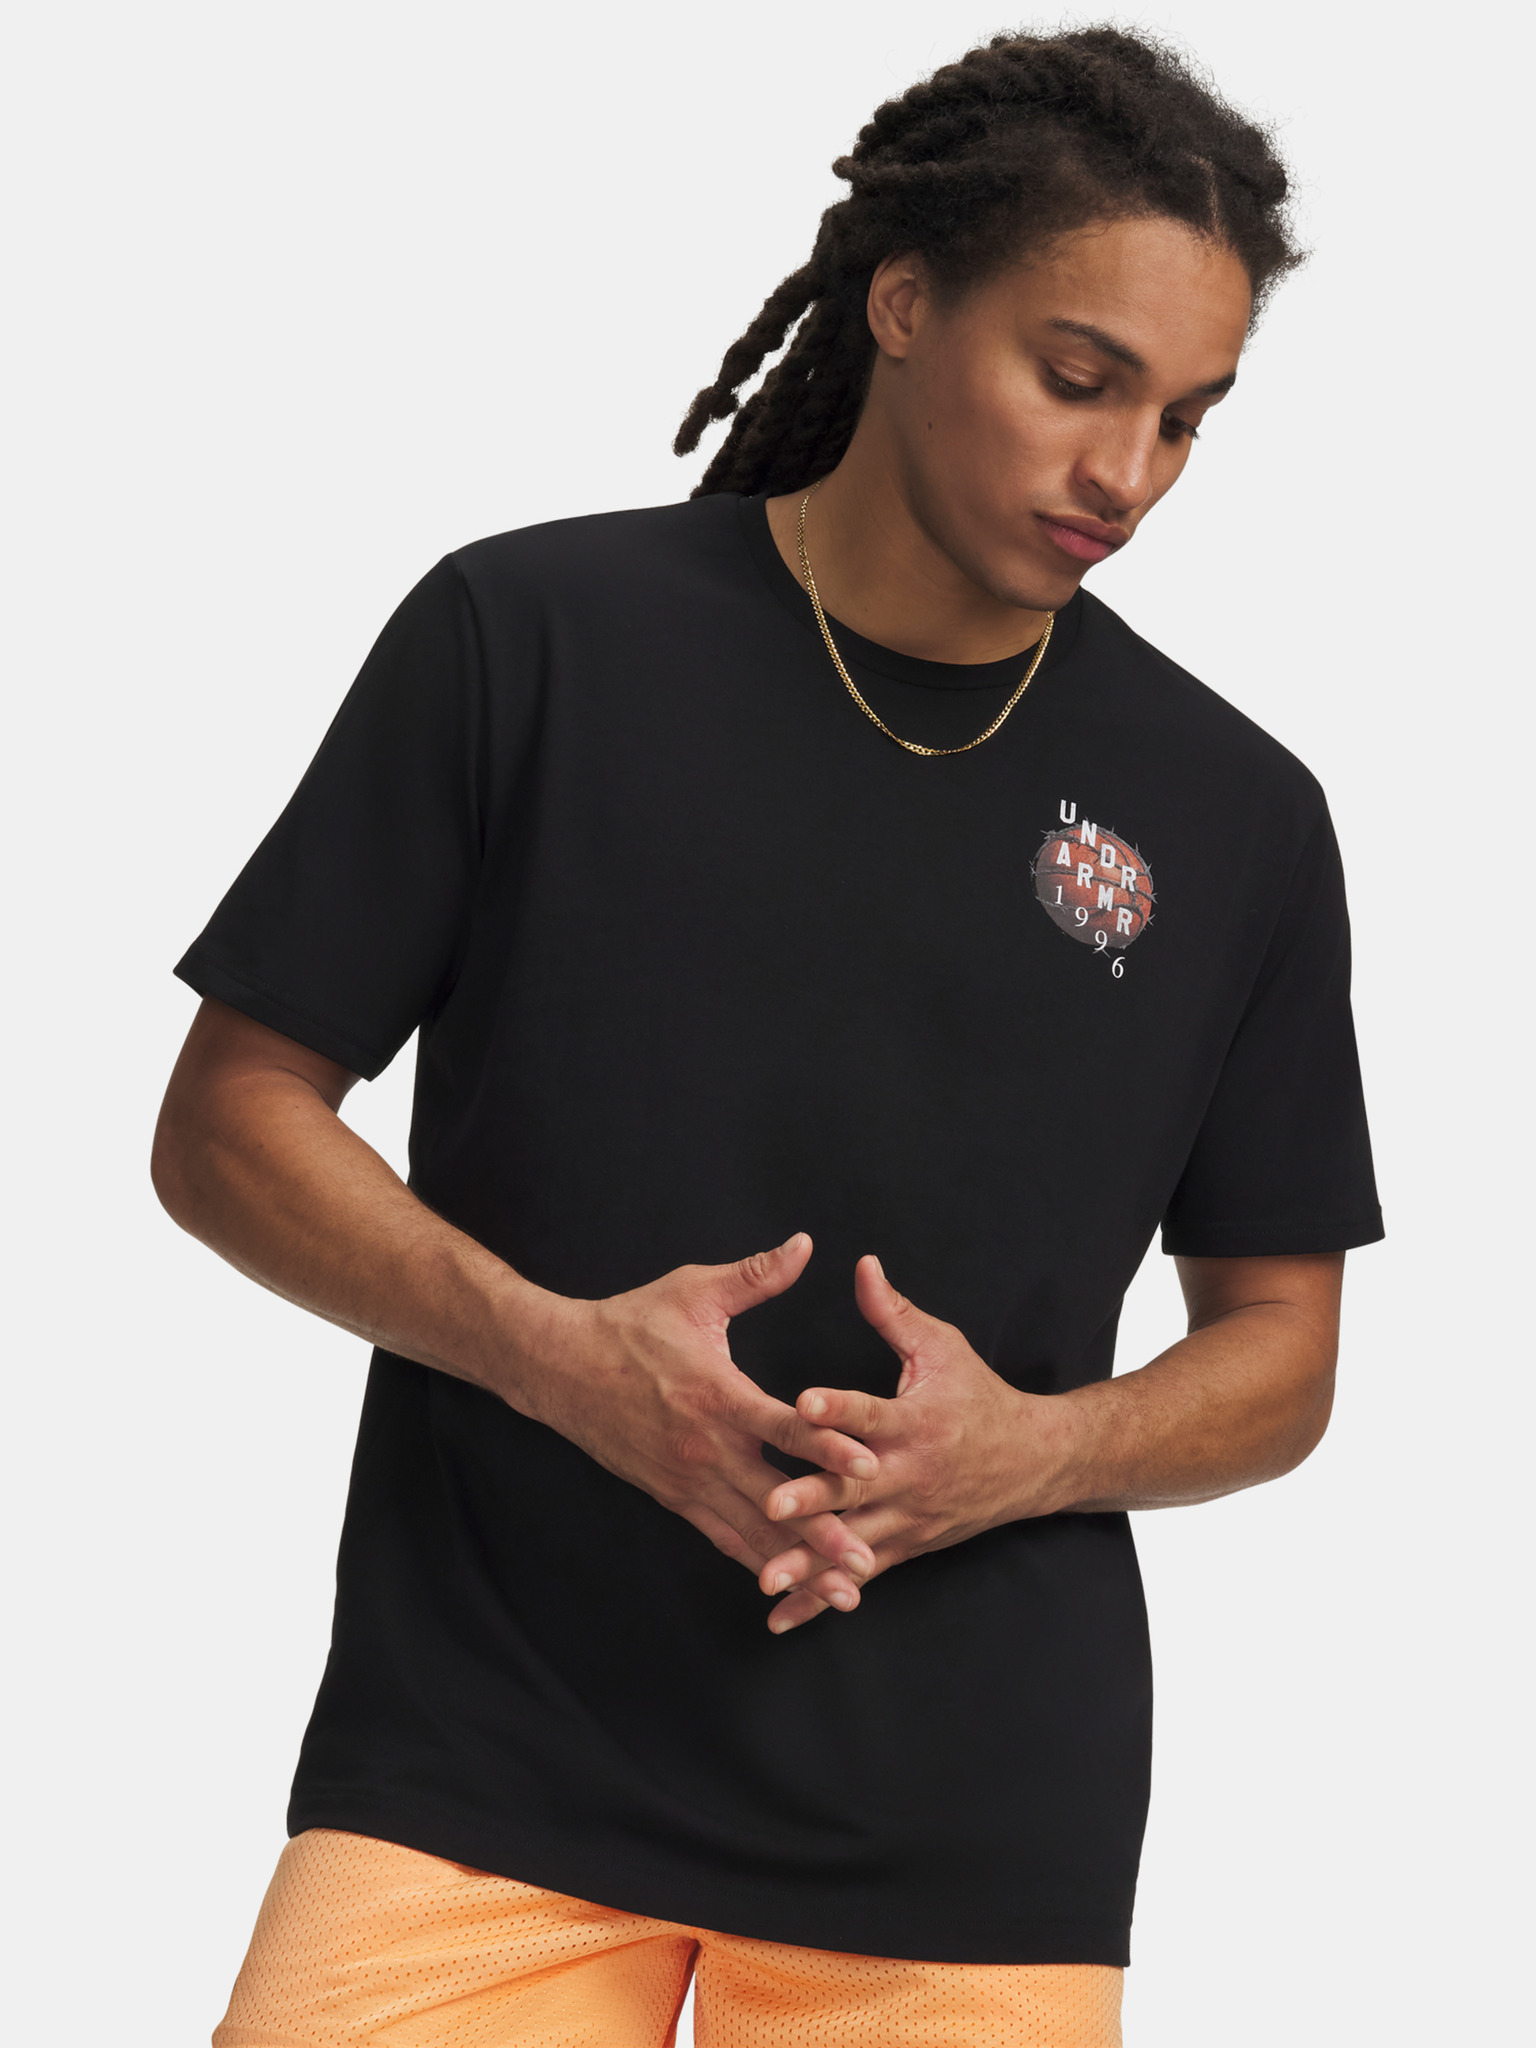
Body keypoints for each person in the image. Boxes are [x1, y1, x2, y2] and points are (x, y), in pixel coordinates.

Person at [154, 25, 1382, 2047]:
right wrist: (557, 1359)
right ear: (903, 303)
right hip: (481, 1762)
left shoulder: (1238, 813)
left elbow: (1284, 1348)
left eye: (1186, 418)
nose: (1129, 474)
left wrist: (1032, 1453)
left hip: (966, 1838)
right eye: (1078, 379)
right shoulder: (533, 639)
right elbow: (225, 1126)